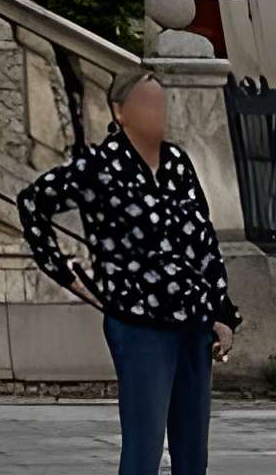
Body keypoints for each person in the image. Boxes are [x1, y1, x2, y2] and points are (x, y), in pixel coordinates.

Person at [18, 68, 241, 474]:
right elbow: (32, 204)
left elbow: (204, 241)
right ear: (120, 111)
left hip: (194, 321)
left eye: (160, 103)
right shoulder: (98, 168)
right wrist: (71, 275)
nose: (156, 111)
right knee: (144, 449)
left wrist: (223, 313)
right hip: (140, 325)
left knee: (194, 455)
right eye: (145, 102)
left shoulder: (177, 162)